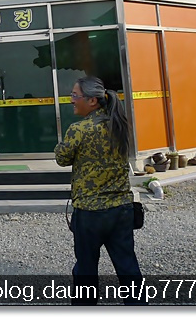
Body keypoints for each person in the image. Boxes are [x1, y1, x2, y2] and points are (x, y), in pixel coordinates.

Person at [54, 76, 145, 305]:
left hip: (90, 213)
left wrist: (59, 144)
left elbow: (62, 158)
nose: (71, 100)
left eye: (75, 96)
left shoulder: (79, 129)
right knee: (128, 268)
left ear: (92, 101)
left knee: (86, 271)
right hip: (122, 209)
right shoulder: (119, 124)